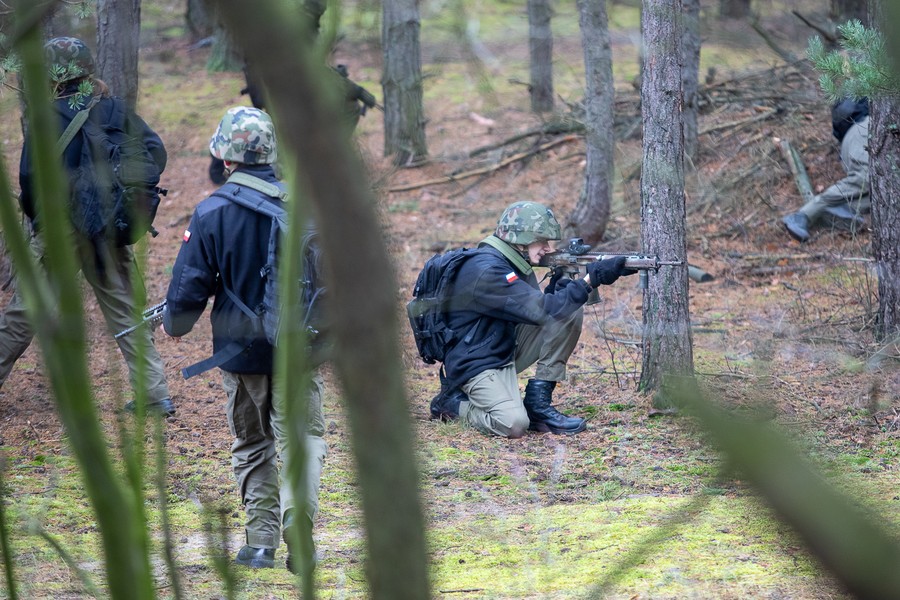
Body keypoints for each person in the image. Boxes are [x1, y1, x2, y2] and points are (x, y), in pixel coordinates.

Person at [163, 106, 327, 573]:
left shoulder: (212, 212)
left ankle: (260, 544)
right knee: (304, 438)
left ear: (224, 156)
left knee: (253, 443)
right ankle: (300, 520)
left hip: (242, 351)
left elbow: (187, 294)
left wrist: (173, 324)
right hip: (302, 344)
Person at [0, 37, 173, 416]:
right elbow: (155, 151)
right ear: (88, 70)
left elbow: (30, 179)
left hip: (60, 232)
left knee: (25, 311)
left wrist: (38, 220)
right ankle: (155, 393)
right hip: (109, 228)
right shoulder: (113, 109)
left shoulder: (45, 117)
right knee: (127, 310)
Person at [429, 201, 636, 438]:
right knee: (513, 423)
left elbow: (530, 309)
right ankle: (451, 403)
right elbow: (541, 311)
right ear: (521, 238)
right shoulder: (487, 270)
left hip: (499, 346)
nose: (548, 249)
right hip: (475, 363)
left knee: (567, 311)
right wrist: (591, 279)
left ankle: (538, 404)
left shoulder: (510, 263)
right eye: (543, 241)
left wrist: (558, 285)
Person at [782, 97, 870, 243]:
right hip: (862, 128)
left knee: (883, 191)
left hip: (853, 135)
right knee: (866, 176)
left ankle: (844, 208)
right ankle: (803, 215)